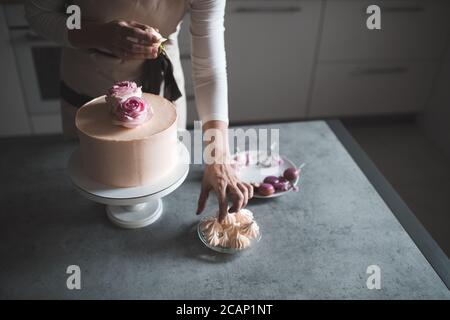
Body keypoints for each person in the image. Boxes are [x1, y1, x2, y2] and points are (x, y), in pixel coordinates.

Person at [25, 0, 253, 221]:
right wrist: (98, 34)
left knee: (161, 175)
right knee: (88, 194)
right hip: (89, 87)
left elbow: (208, 71)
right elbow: (39, 14)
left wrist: (218, 157)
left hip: (162, 87)